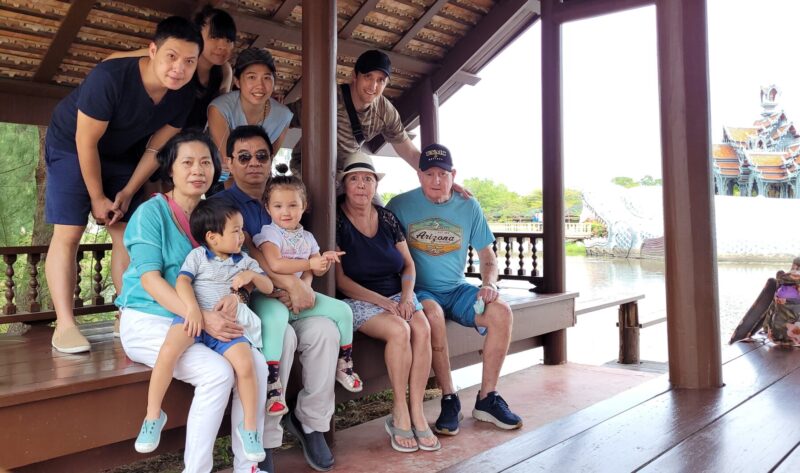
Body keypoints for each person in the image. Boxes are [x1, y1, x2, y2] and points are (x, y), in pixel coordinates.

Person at [117, 130, 271, 473]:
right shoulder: (151, 213)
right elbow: (150, 280)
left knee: (256, 366)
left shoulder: (214, 215)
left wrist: (237, 296)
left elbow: (239, 269)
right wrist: (199, 314)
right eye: (186, 162)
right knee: (216, 372)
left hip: (204, 322)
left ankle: (248, 466)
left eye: (205, 162)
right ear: (170, 170)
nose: (197, 170)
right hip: (151, 318)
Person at [45, 16, 202, 353]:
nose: (179, 68)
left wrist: (128, 191)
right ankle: (65, 324)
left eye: (189, 61)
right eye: (171, 57)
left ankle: (127, 312)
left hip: (122, 153)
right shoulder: (110, 79)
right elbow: (85, 143)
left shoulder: (184, 94)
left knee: (127, 231)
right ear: (152, 50)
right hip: (71, 145)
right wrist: (97, 197)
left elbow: (155, 148)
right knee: (70, 231)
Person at [211, 125, 338, 472]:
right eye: (244, 156)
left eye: (262, 156)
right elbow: (252, 252)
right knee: (283, 334)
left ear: (271, 160)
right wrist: (290, 286)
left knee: (326, 332)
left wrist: (302, 286)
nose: (254, 163)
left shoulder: (283, 196)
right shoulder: (222, 204)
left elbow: (301, 250)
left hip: (290, 298)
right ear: (230, 162)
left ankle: (311, 422)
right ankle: (266, 438)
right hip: (252, 302)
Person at [387, 143, 523, 435]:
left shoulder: (468, 205)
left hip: (458, 288)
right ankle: (449, 397)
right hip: (421, 291)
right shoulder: (398, 205)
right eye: (429, 173)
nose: (436, 180)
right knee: (433, 315)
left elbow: (488, 257)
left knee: (501, 312)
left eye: (443, 174)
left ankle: (487, 398)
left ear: (453, 175)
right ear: (419, 175)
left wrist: (489, 284)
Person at [133, 198, 273, 463]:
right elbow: (183, 281)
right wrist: (192, 310)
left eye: (241, 229)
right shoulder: (198, 256)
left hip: (227, 327)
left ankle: (250, 428)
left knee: (247, 365)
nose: (242, 235)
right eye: (235, 230)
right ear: (212, 237)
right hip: (197, 320)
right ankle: (153, 415)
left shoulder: (243, 260)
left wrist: (252, 277)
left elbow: (268, 287)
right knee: (168, 352)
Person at [334, 152, 439, 453]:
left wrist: (406, 296)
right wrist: (382, 301)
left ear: (375, 185)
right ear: (345, 185)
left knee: (422, 327)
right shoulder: (338, 221)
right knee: (399, 331)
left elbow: (408, 265)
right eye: (354, 179)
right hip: (359, 298)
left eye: (368, 179)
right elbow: (341, 282)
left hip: (397, 294)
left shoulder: (388, 218)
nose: (362, 186)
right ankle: (399, 409)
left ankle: (417, 409)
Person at [287, 49, 466, 198]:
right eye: (368, 76)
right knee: (316, 212)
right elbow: (284, 119)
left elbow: (410, 153)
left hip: (347, 174)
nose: (373, 86)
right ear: (354, 76)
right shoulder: (328, 97)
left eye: (381, 80)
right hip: (307, 168)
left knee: (378, 215)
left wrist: (444, 179)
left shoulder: (385, 111)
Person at [254, 175, 361, 416]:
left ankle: (345, 364)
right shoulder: (269, 234)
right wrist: (310, 262)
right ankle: (273, 386)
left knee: (343, 310)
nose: (286, 212)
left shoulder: (308, 238)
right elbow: (275, 264)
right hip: (270, 296)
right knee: (277, 322)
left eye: (293, 205)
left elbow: (312, 270)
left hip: (300, 297)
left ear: (304, 206)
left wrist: (319, 267)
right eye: (278, 206)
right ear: (268, 208)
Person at [106, 4, 237, 130]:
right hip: (152, 135)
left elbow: (220, 113)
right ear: (196, 33)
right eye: (214, 37)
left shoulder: (224, 70)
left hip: (191, 143)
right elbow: (113, 60)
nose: (223, 46)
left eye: (229, 40)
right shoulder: (166, 55)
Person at [208, 48, 293, 192]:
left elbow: (266, 161)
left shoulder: (283, 116)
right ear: (238, 81)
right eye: (251, 77)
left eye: (267, 77)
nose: (260, 85)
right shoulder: (220, 108)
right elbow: (230, 165)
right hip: (217, 178)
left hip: (255, 182)